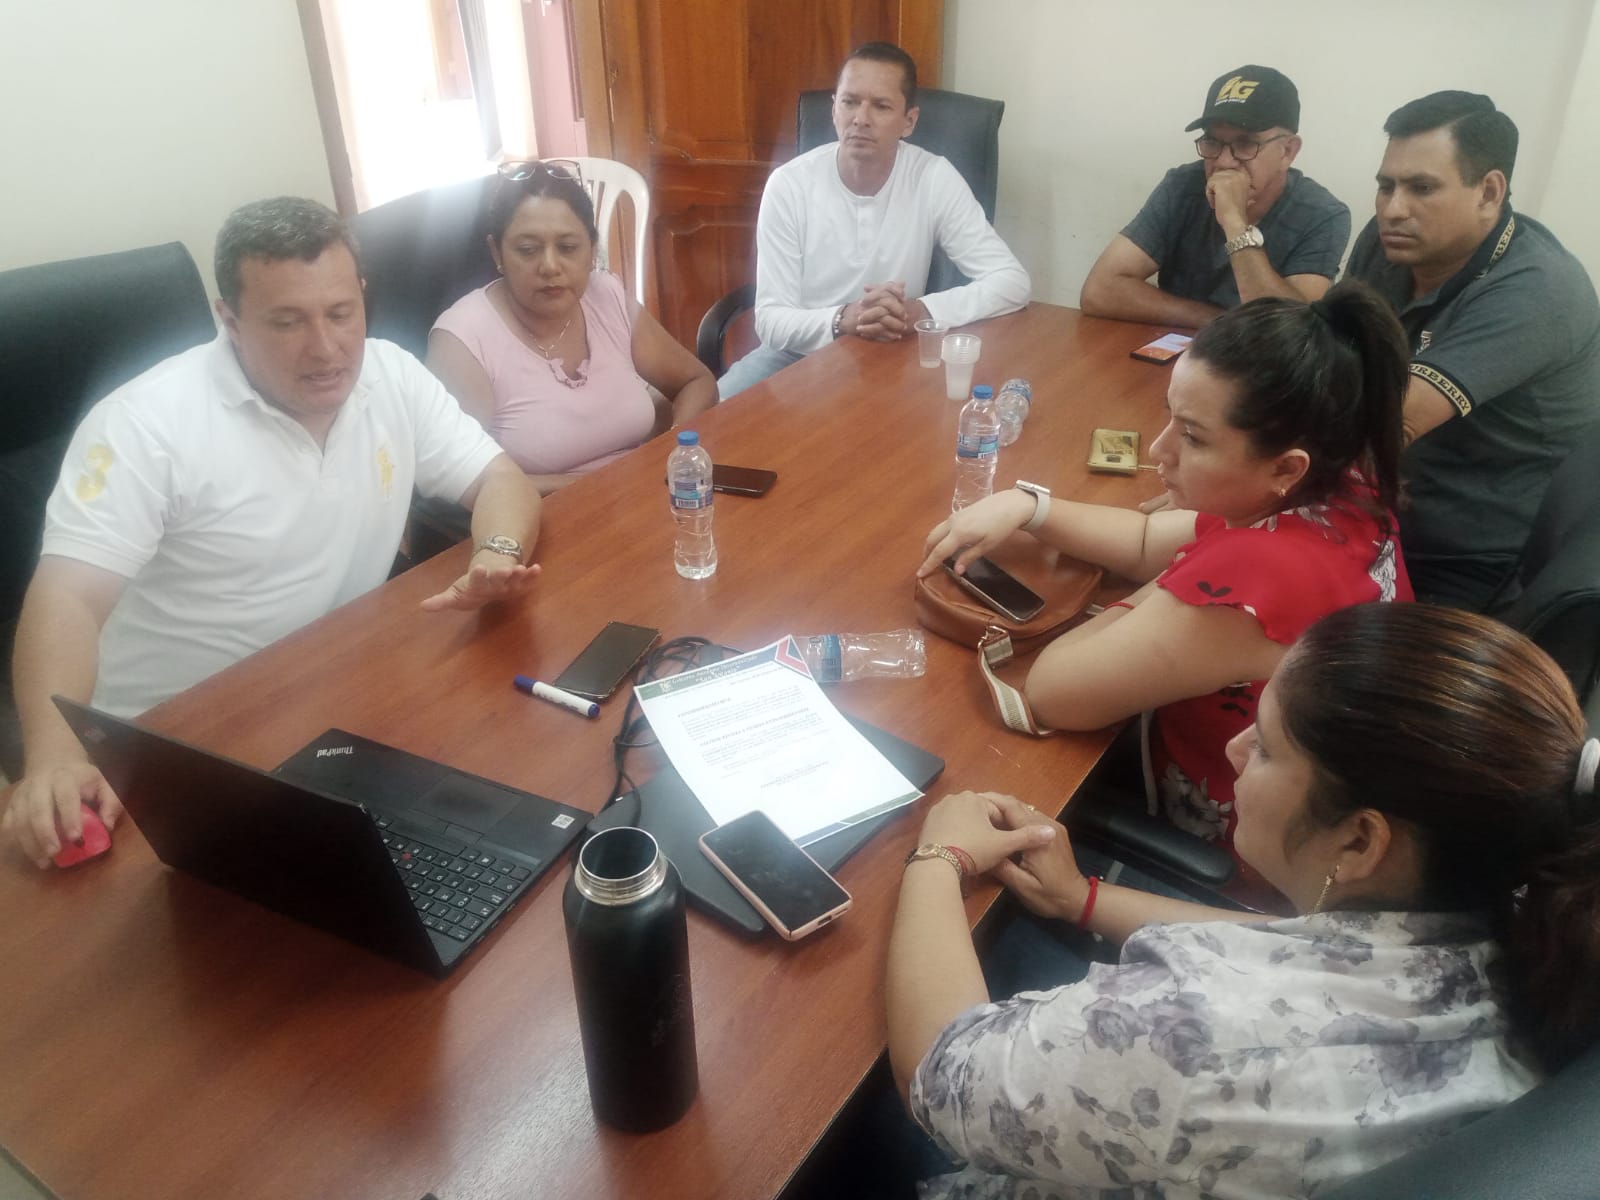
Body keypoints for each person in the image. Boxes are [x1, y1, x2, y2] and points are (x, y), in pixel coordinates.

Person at [887, 602, 1600, 1197]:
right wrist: (1082, 898)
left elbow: (942, 1078)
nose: (1233, 749)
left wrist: (940, 856)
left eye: (1265, 747)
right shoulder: (1526, 916)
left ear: (1359, 842)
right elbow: (1305, 954)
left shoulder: (1196, 1034)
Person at [2, 196, 543, 869]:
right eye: (287, 321)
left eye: (341, 312)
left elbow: (501, 480)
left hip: (335, 696)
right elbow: (68, 597)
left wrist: (495, 552)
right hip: (170, 746)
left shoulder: (391, 376)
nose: (326, 348)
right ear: (228, 319)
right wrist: (54, 756)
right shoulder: (146, 425)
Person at [920, 281, 1411, 900]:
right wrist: (1027, 505)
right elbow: (1148, 537)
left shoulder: (1259, 581)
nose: (1159, 450)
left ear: (1286, 467)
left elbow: (1049, 695)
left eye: (1194, 437)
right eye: (1170, 416)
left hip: (1255, 867)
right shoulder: (1340, 488)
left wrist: (1164, 590)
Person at [1343, 91, 1600, 610]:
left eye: (1421, 188)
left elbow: (1391, 421)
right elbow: (1325, 354)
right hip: (1371, 507)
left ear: (1488, 191)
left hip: (1464, 562)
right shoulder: (1389, 241)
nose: (1392, 209)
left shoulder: (1539, 290)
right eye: (1386, 186)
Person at [717, 41, 1030, 399]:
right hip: (797, 357)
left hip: (893, 352)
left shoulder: (932, 177)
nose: (860, 119)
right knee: (708, 420)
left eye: (881, 106)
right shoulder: (789, 185)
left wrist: (921, 311)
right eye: (849, 102)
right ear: (834, 108)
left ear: (909, 121)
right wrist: (844, 319)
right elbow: (772, 321)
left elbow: (1012, 281)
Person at [428, 161, 716, 494]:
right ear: (497, 253)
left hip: (645, 494)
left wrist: (672, 452)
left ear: (591, 251)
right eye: (527, 250)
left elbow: (697, 382)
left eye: (567, 248)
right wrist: (597, 487)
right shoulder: (464, 338)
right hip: (542, 512)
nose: (550, 266)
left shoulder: (605, 296)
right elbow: (456, 475)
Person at [1081, 65, 1349, 329]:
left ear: (1288, 152)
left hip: (1261, 358)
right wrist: (1221, 325)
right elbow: (1099, 291)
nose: (1223, 162)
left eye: (1245, 144)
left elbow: (1296, 332)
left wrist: (1235, 223)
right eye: (1212, 141)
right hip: (1190, 348)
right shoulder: (1183, 186)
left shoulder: (1323, 215)